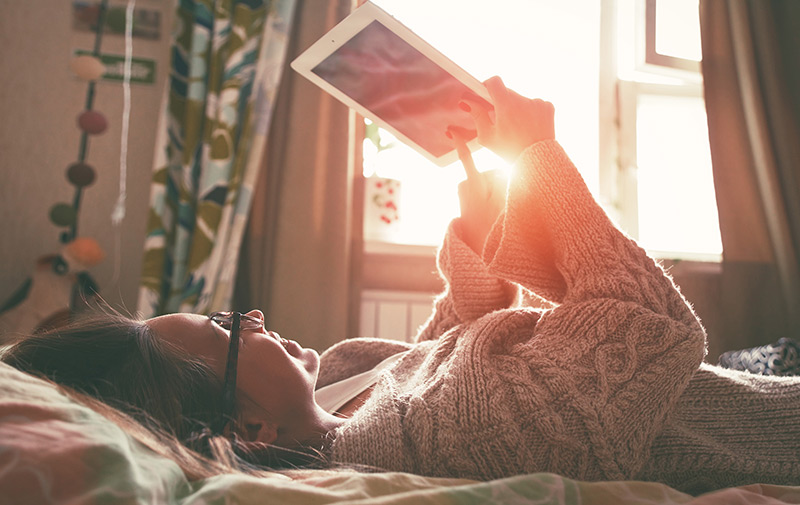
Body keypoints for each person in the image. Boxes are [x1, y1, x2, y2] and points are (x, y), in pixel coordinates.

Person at [3, 77, 799, 494]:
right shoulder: (427, 442)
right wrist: (544, 163)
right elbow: (648, 328)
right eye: (225, 330)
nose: (248, 313)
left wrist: (475, 232)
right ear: (244, 427)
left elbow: (452, 349)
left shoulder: (346, 382)